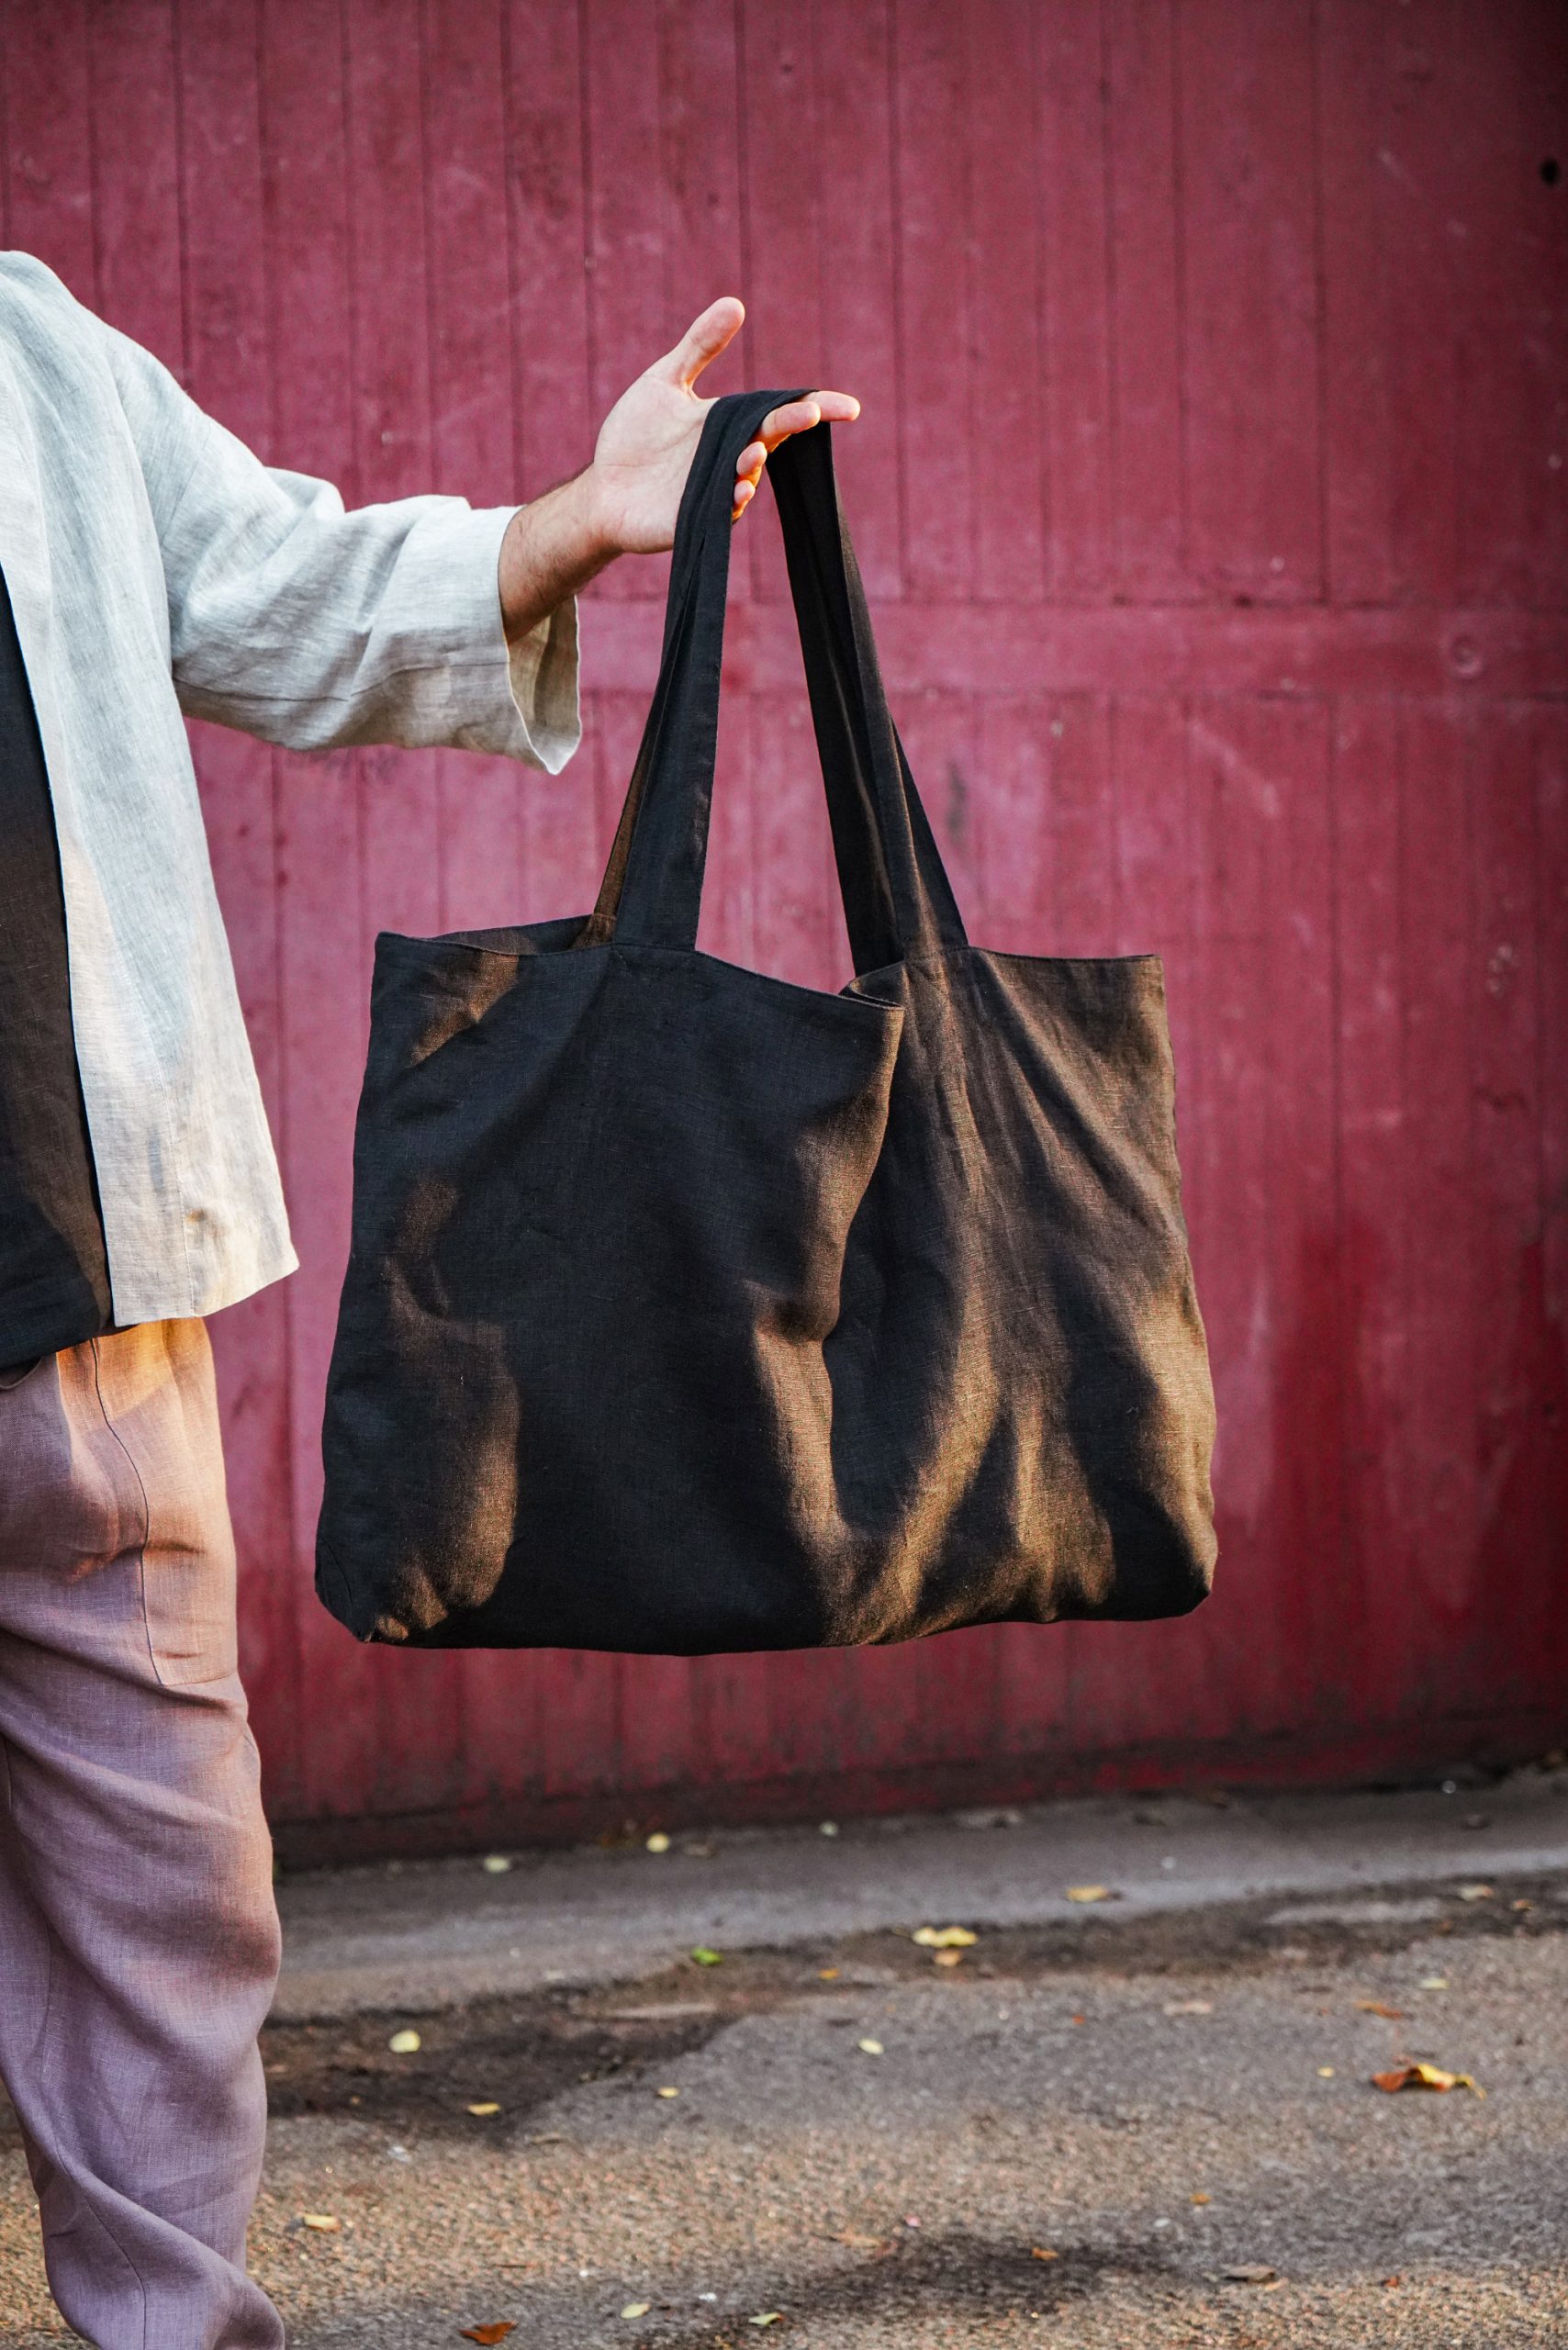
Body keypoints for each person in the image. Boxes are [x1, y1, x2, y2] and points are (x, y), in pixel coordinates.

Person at [0, 251, 857, 2350]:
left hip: (85, 1273)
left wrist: (577, 518)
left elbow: (277, 585)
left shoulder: (25, 344)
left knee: (168, 1894)